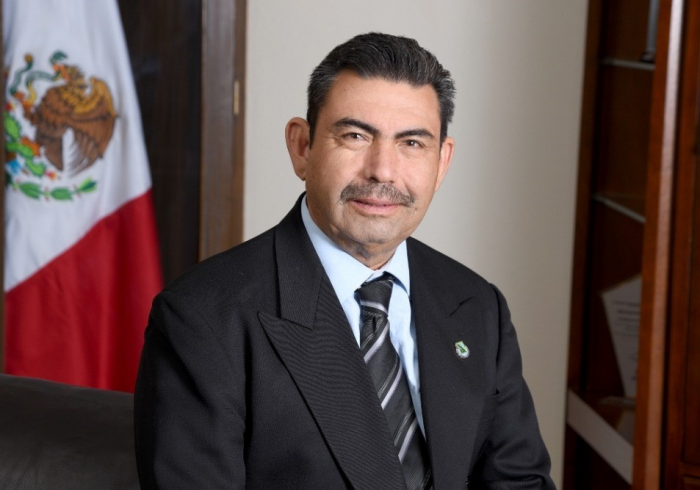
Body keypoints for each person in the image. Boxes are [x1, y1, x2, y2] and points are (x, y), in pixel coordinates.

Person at [134, 32, 555, 490]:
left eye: (412, 143)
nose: (382, 170)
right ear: (302, 147)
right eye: (356, 136)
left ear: (442, 163)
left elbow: (520, 483)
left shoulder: (477, 306)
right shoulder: (201, 320)